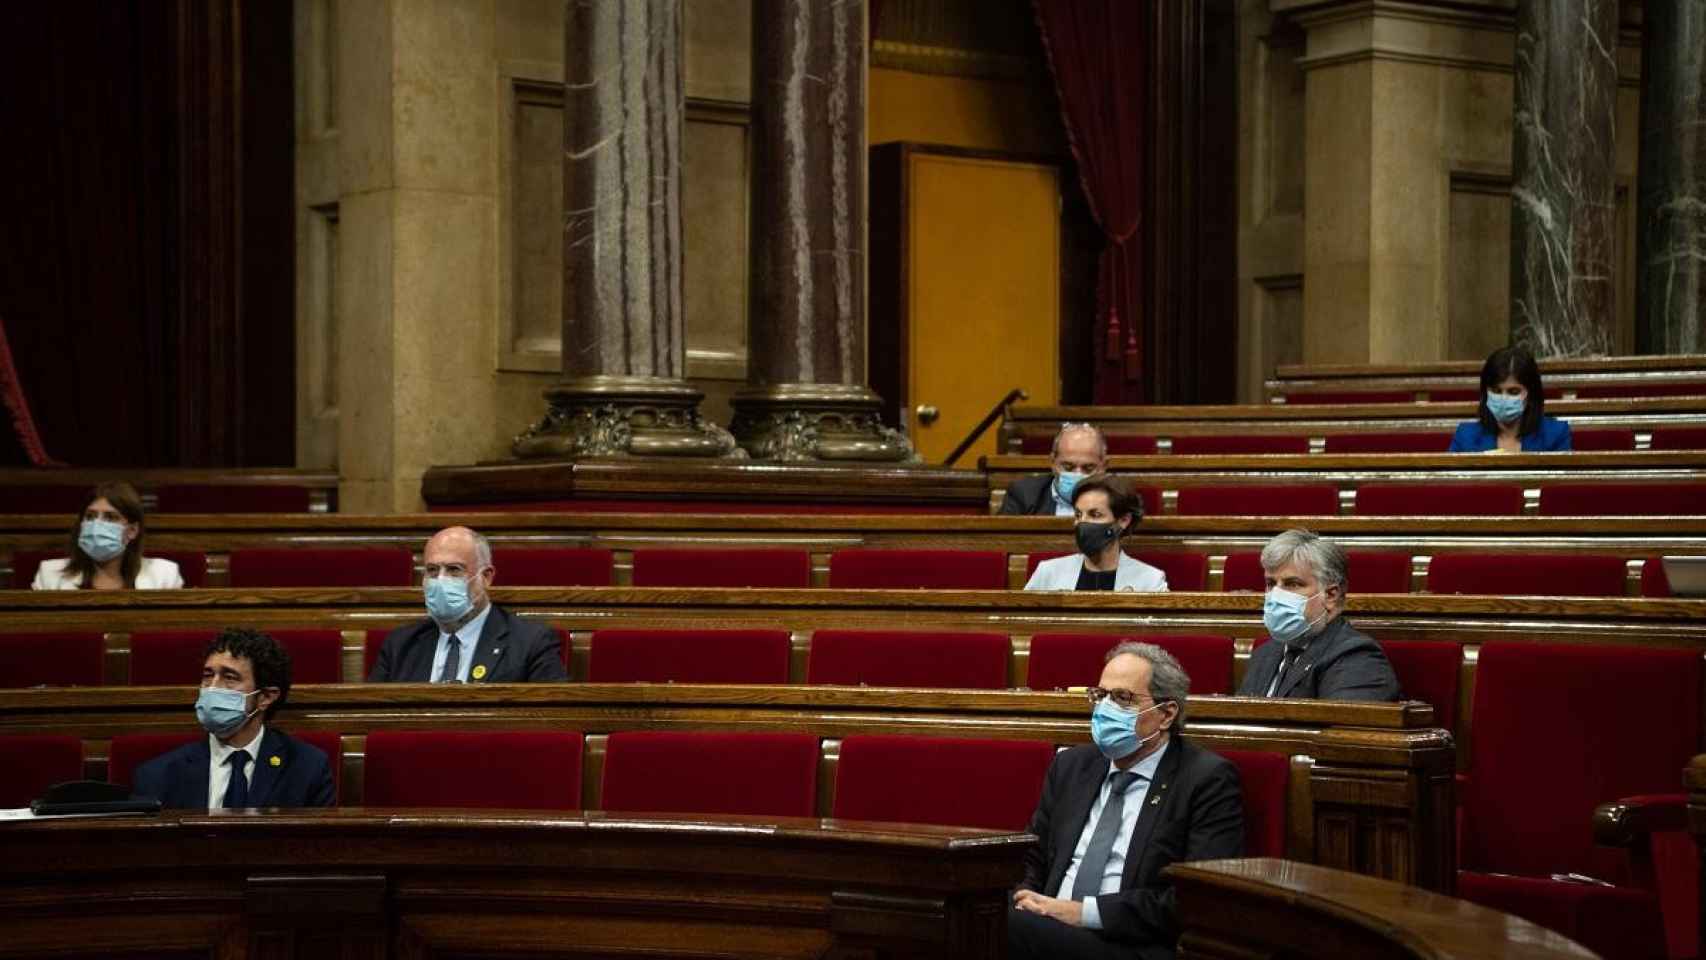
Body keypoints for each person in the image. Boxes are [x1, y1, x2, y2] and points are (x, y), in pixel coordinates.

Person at [1010, 641, 1244, 960]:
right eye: (1100, 695)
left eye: (1122, 698)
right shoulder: (1072, 766)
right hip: (1046, 927)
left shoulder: (1205, 780)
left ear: (1166, 714)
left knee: (1008, 929)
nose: (1105, 708)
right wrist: (1026, 898)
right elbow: (1033, 856)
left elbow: (1197, 900)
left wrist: (1084, 913)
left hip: (1132, 945)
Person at [131, 628, 334, 809]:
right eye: (208, 675)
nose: (212, 687)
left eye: (229, 677)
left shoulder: (307, 768)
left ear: (265, 697)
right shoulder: (158, 776)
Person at [367, 525, 567, 683]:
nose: (441, 580)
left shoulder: (531, 642)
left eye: (454, 569)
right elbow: (371, 718)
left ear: (486, 577)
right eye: (432, 570)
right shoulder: (401, 645)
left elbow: (551, 722)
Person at [1236, 529, 1400, 700]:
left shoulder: (1357, 658)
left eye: (1292, 584)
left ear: (1330, 595)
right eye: (1271, 583)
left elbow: (1342, 725)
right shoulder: (1265, 654)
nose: (1276, 595)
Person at [1025, 474, 1167, 592]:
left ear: (1123, 520)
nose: (1082, 522)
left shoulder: (1151, 581)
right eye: (1078, 515)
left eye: (1095, 515)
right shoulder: (1048, 572)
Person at [31, 482, 183, 590]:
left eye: (110, 517)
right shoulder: (50, 575)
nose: (96, 525)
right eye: (90, 516)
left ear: (132, 530)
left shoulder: (164, 575)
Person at [1449, 346, 1572, 453]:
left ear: (1531, 394)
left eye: (1513, 392)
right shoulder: (1465, 436)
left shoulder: (1556, 434)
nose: (1503, 399)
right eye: (1496, 391)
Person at [1000, 422, 1108, 516]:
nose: (1078, 475)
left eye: (1088, 468)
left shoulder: (1120, 500)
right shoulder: (1024, 495)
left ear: (1103, 467)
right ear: (1053, 462)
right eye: (1068, 467)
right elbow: (1002, 538)